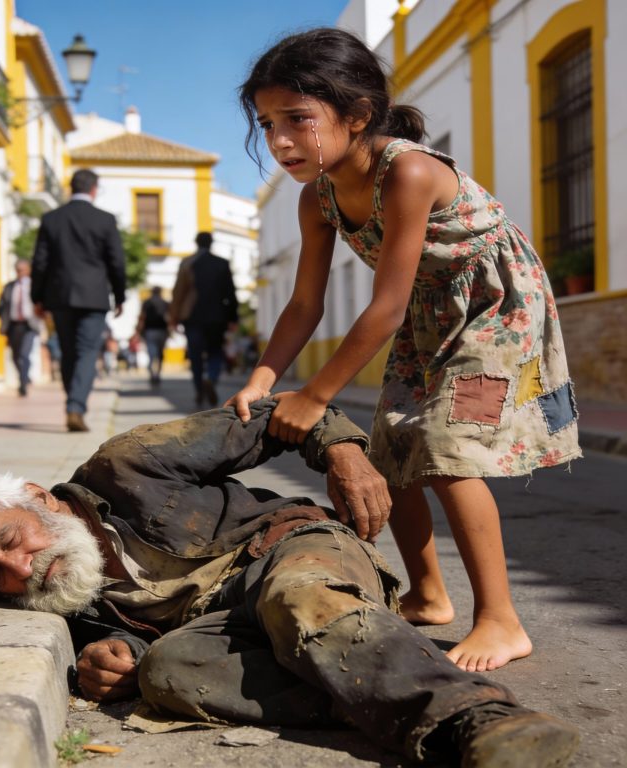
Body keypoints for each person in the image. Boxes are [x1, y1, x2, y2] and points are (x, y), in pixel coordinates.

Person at [0, 401, 579, 768]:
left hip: (290, 552)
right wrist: (100, 663)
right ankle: (376, 674)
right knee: (168, 672)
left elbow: (276, 418)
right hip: (228, 625)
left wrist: (347, 454)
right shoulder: (66, 597)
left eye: (10, 542)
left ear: (37, 497)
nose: (21, 569)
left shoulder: (128, 462)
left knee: (294, 599)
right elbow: (111, 655)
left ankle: (478, 719)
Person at [228, 28, 582, 673]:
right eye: (267, 123)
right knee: (392, 446)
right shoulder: (319, 198)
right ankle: (427, 595)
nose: (279, 140)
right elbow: (305, 303)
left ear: (358, 114)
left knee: (446, 450)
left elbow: (384, 306)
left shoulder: (411, 170)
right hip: (429, 316)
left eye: (298, 120)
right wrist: (264, 376)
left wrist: (315, 395)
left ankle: (502, 620)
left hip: (497, 313)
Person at [31, 168, 126, 433]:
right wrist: (119, 296)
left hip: (59, 296)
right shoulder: (104, 220)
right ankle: (75, 406)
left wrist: (37, 297)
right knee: (86, 352)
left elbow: (40, 262)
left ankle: (72, 402)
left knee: (68, 352)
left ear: (71, 188)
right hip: (94, 297)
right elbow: (116, 262)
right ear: (94, 189)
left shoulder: (52, 218)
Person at [170, 232, 238, 407]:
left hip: (192, 316)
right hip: (217, 316)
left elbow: (178, 291)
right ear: (211, 243)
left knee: (195, 354)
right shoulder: (222, 263)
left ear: (196, 242)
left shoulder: (187, 263)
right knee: (215, 351)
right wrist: (233, 317)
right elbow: (230, 293)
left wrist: (174, 316)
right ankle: (212, 378)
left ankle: (199, 389)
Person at [0, 260, 41, 397]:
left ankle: (23, 382)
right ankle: (24, 376)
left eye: (23, 270)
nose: (20, 272)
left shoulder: (34, 286)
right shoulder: (9, 287)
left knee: (24, 354)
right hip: (14, 325)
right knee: (15, 356)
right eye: (18, 270)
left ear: (28, 270)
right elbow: (1, 305)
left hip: (29, 325)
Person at [136, 286, 169, 385]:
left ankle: (152, 373)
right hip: (162, 330)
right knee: (160, 354)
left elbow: (142, 317)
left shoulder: (146, 302)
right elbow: (169, 316)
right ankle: (157, 373)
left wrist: (138, 330)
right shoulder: (165, 303)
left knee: (152, 354)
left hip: (150, 330)